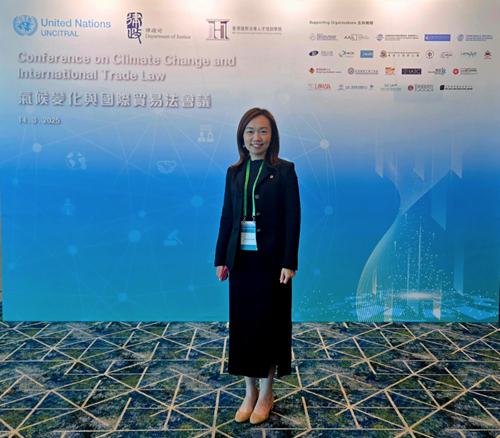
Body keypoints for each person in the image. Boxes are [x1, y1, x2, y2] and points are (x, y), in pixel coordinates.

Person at [214, 108, 301, 424]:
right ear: (242, 136)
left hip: (272, 262)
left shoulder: (285, 171)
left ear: (272, 136)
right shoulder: (234, 172)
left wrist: (289, 262)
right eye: (250, 131)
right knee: (244, 327)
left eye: (263, 131)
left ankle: (266, 392)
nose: (256, 137)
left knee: (269, 327)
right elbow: (227, 216)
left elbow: (293, 218)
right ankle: (249, 392)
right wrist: (221, 258)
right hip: (241, 260)